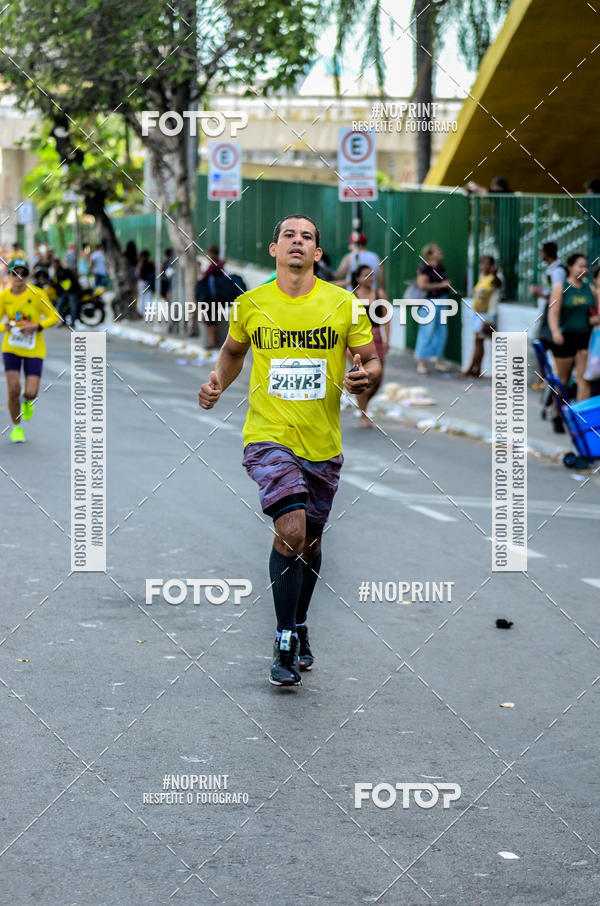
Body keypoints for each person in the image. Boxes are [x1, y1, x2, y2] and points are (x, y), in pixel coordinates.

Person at [198, 214, 380, 687]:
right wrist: (219, 382)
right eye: (289, 236)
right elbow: (235, 352)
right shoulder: (251, 304)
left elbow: (372, 361)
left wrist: (365, 378)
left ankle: (299, 624)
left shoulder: (343, 304)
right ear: (273, 248)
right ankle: (282, 638)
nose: (297, 242)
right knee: (292, 531)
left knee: (312, 542)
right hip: (268, 436)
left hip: (322, 442)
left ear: (318, 254)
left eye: (308, 238)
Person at [0, 258, 60, 443]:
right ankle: (17, 428)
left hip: (34, 348)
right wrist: (6, 326)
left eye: (23, 273)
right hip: (12, 347)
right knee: (13, 390)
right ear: (9, 275)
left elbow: (54, 316)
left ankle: (27, 402)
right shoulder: (4, 297)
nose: (19, 277)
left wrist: (37, 326)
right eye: (15, 273)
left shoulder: (37, 293)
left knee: (31, 392)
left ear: (28, 276)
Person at [547, 253, 598, 433]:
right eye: (580, 266)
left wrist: (595, 320)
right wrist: (555, 331)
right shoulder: (561, 287)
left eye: (586, 267)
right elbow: (553, 313)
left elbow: (597, 313)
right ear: (570, 267)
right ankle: (556, 414)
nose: (584, 270)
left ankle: (580, 420)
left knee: (584, 379)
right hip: (565, 337)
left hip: (584, 337)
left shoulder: (590, 289)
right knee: (564, 380)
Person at [351, 264, 390, 425]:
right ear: (358, 278)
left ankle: (364, 403)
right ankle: (363, 414)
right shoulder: (352, 295)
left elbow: (387, 318)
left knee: (377, 377)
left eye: (372, 275)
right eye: (366, 275)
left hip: (376, 338)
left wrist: (387, 339)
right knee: (360, 376)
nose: (370, 278)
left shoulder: (379, 294)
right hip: (356, 340)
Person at [414, 243, 451, 374]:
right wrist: (441, 284)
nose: (441, 252)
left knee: (441, 332)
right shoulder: (424, 268)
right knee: (427, 332)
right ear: (430, 254)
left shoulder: (441, 267)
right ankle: (421, 362)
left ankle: (438, 361)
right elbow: (422, 285)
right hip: (428, 302)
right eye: (437, 250)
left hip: (442, 299)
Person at [462, 255, 501, 378]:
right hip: (478, 313)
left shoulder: (494, 278)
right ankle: (477, 369)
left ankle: (471, 369)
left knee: (479, 341)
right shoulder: (482, 277)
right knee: (479, 341)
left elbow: (498, 284)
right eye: (482, 264)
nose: (484, 266)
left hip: (487, 314)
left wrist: (495, 274)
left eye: (487, 264)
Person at [530, 242, 567, 348]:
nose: (541, 255)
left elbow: (558, 293)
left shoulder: (558, 271)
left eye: (542, 252)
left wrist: (540, 294)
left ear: (546, 253)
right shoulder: (552, 269)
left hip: (551, 308)